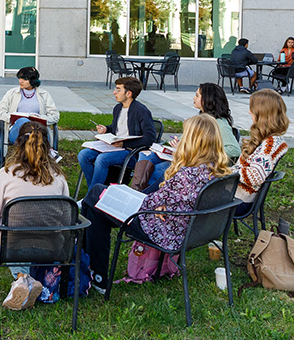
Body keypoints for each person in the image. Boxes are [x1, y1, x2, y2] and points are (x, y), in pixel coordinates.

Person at [82, 113, 232, 292]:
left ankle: (93, 274)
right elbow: (170, 198)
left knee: (95, 197)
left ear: (192, 141)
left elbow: (147, 203)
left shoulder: (186, 175)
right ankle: (93, 272)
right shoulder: (217, 170)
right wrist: (162, 202)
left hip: (161, 230)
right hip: (186, 228)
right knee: (97, 204)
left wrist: (157, 202)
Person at [0, 122, 70, 311]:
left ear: (18, 145)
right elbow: (67, 219)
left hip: (13, 248)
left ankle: (21, 278)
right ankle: (27, 280)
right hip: (53, 247)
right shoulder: (58, 176)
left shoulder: (6, 174)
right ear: (48, 147)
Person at [132, 82, 241, 191]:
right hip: (185, 156)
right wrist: (181, 144)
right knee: (146, 155)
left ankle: (143, 196)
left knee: (158, 170)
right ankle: (136, 191)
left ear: (207, 99)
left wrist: (199, 151)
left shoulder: (219, 123)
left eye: (197, 95)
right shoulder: (201, 118)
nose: (194, 97)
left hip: (197, 162)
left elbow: (234, 150)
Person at [77, 76, 156, 189]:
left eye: (118, 90)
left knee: (102, 159)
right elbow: (117, 129)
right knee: (83, 155)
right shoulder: (118, 108)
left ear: (128, 93)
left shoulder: (141, 111)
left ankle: (92, 194)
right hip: (114, 147)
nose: (114, 92)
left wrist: (124, 144)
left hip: (131, 152)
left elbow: (150, 138)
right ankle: (95, 190)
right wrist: (107, 129)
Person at [233, 89, 290, 208]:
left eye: (252, 108)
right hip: (237, 195)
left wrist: (226, 172)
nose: (249, 112)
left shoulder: (270, 144)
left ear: (262, 113)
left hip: (239, 200)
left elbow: (255, 176)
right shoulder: (269, 140)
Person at [0, 66, 59, 145]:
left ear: (32, 80)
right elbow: (0, 111)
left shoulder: (44, 94)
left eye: (25, 79)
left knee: (34, 127)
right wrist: (11, 118)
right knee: (23, 121)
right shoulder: (12, 93)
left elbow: (55, 116)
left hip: (38, 131)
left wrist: (40, 118)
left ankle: (29, 152)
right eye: (19, 78)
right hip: (17, 132)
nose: (20, 81)